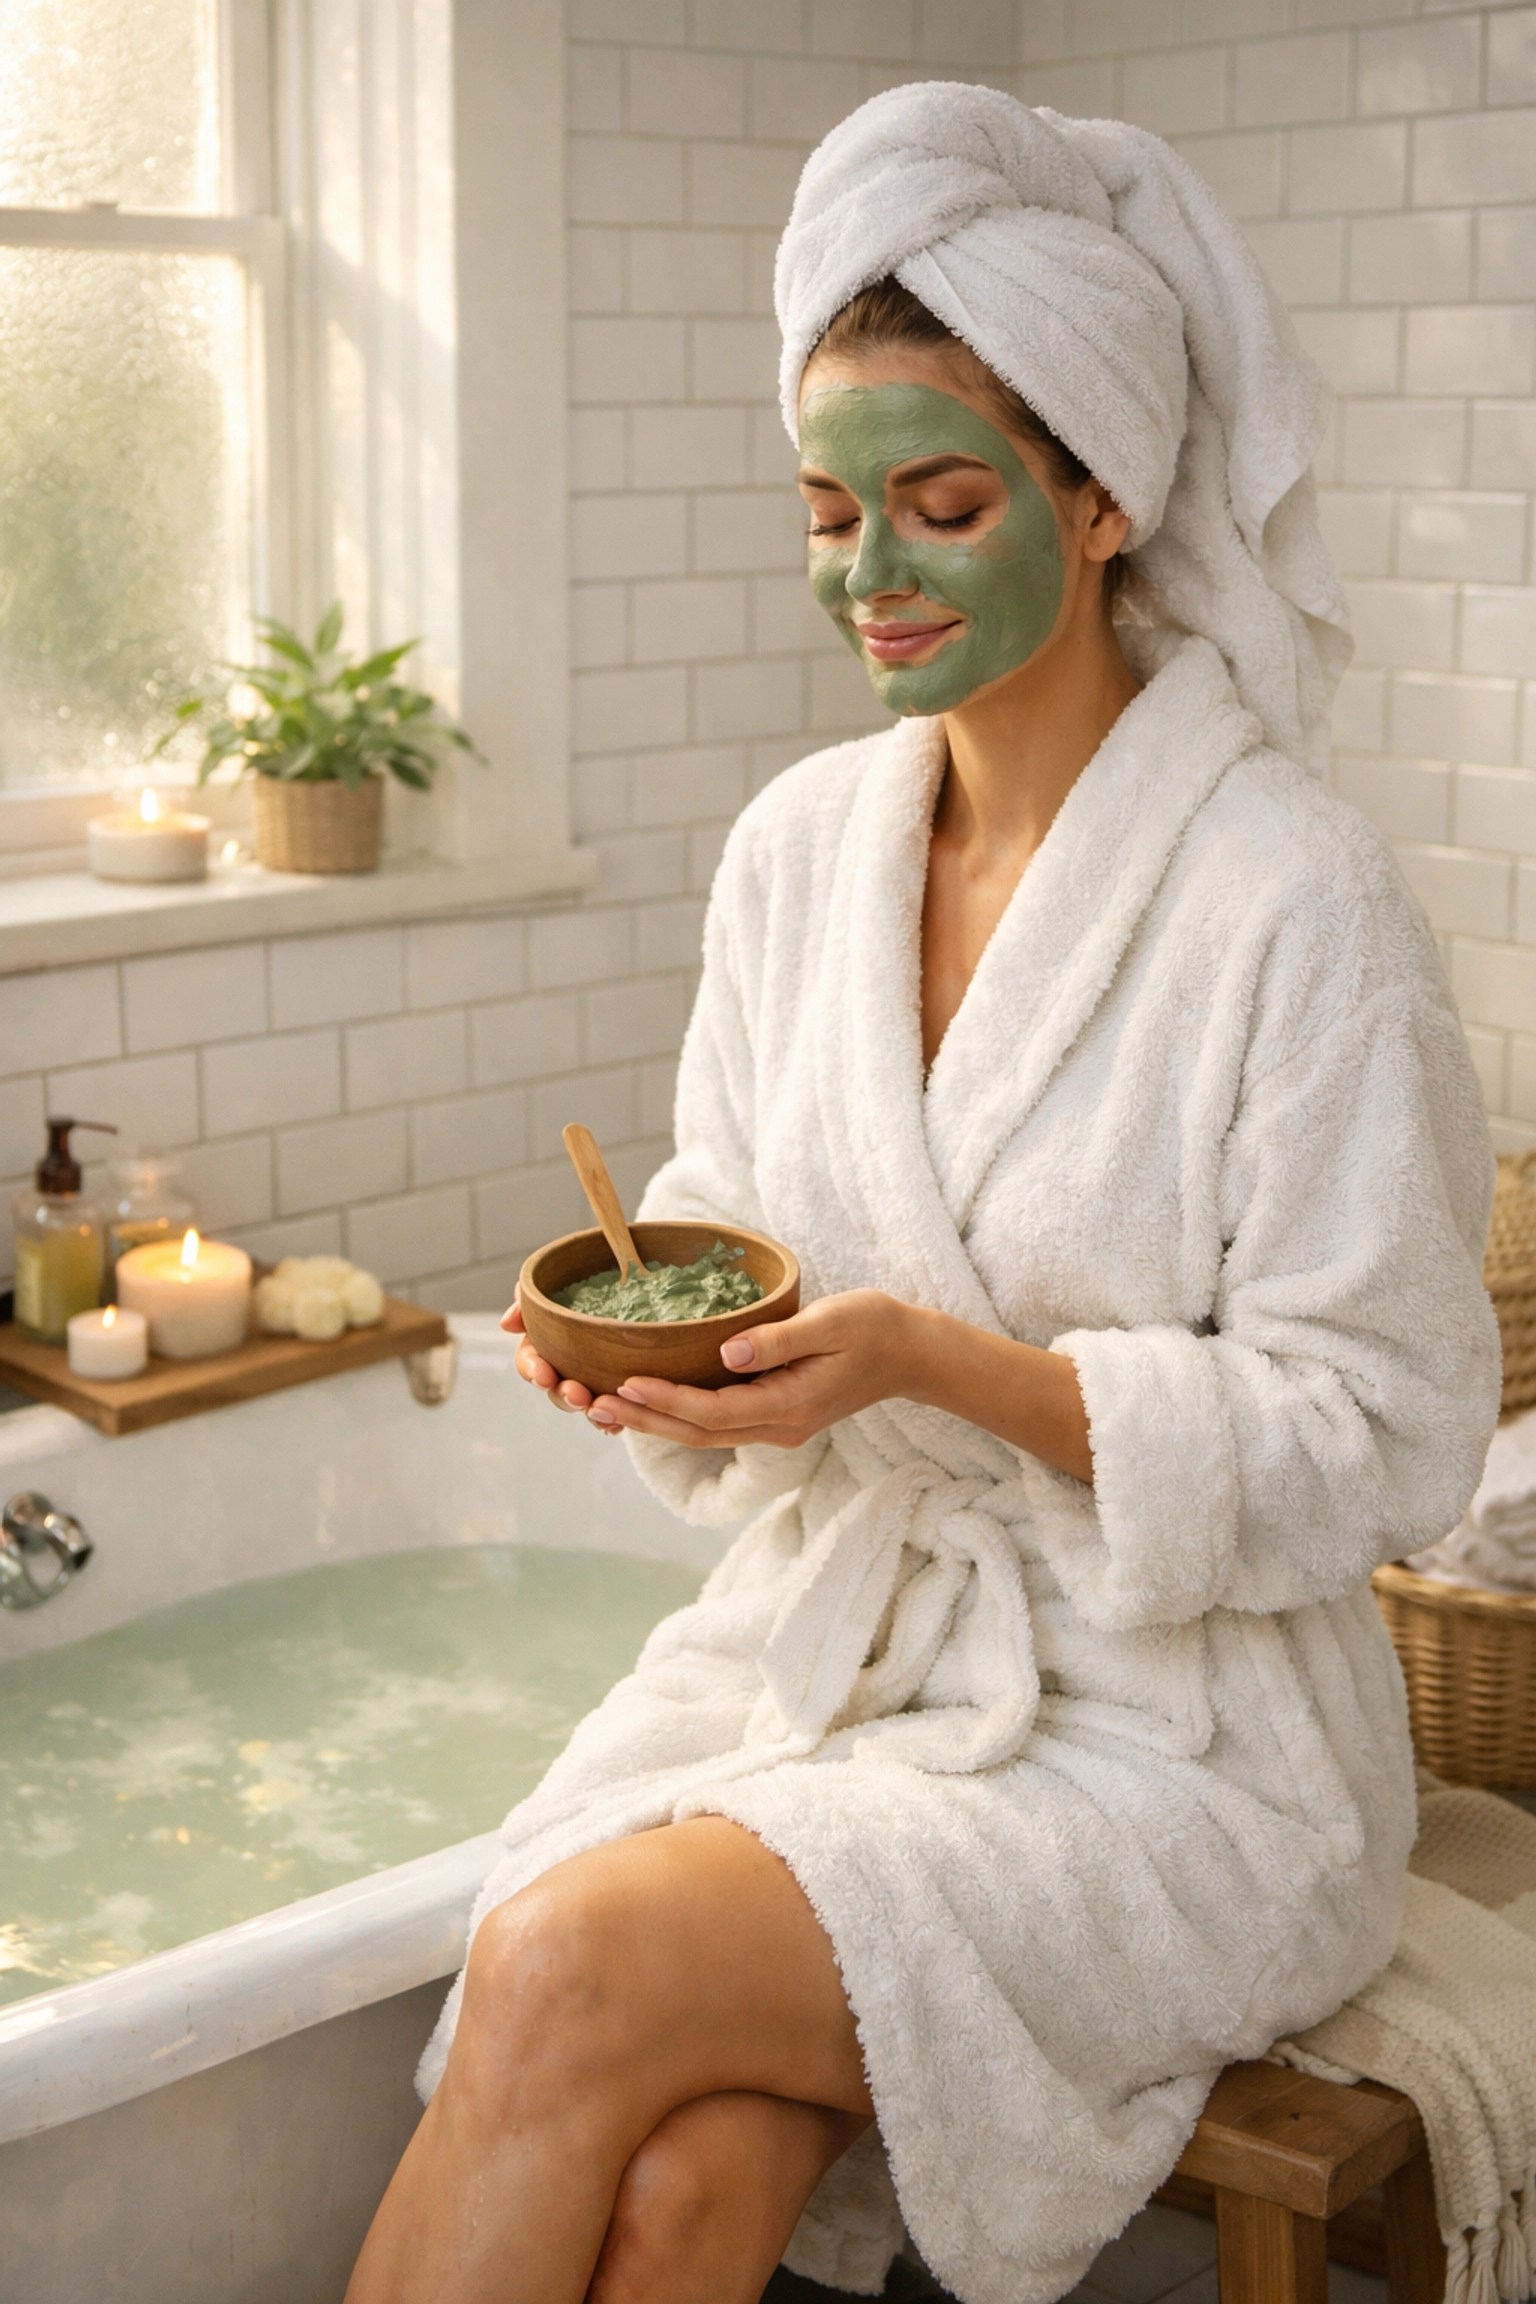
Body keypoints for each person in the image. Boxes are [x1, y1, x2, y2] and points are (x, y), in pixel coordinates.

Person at [346, 83, 1499, 2304]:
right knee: (682, 2184)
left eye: (940, 502)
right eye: (824, 509)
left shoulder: (1292, 898)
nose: (864, 574)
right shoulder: (799, 854)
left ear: (1103, 498)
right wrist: (681, 1374)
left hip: (1193, 1744)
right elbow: (722, 1204)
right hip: (853, 1658)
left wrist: (952, 1373)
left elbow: (1388, 1432)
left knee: (568, 1972)